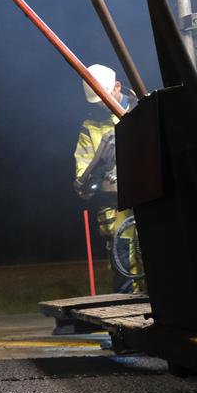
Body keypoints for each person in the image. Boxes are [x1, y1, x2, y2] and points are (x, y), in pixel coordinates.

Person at [74, 64, 142, 294]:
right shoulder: (89, 128)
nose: (101, 105)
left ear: (117, 87)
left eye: (103, 99)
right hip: (115, 213)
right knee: (124, 272)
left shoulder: (143, 111)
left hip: (149, 206)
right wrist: (100, 164)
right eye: (96, 102)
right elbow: (83, 186)